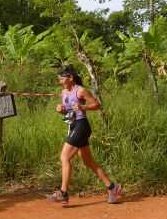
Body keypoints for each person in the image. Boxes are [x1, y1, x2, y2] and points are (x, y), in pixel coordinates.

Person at [47, 66, 122, 205]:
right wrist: (61, 110)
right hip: (73, 126)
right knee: (88, 162)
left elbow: (97, 105)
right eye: (59, 79)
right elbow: (69, 113)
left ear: (70, 78)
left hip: (82, 126)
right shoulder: (64, 92)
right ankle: (113, 187)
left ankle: (63, 193)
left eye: (62, 78)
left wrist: (84, 107)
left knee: (64, 157)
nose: (59, 81)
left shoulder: (80, 91)